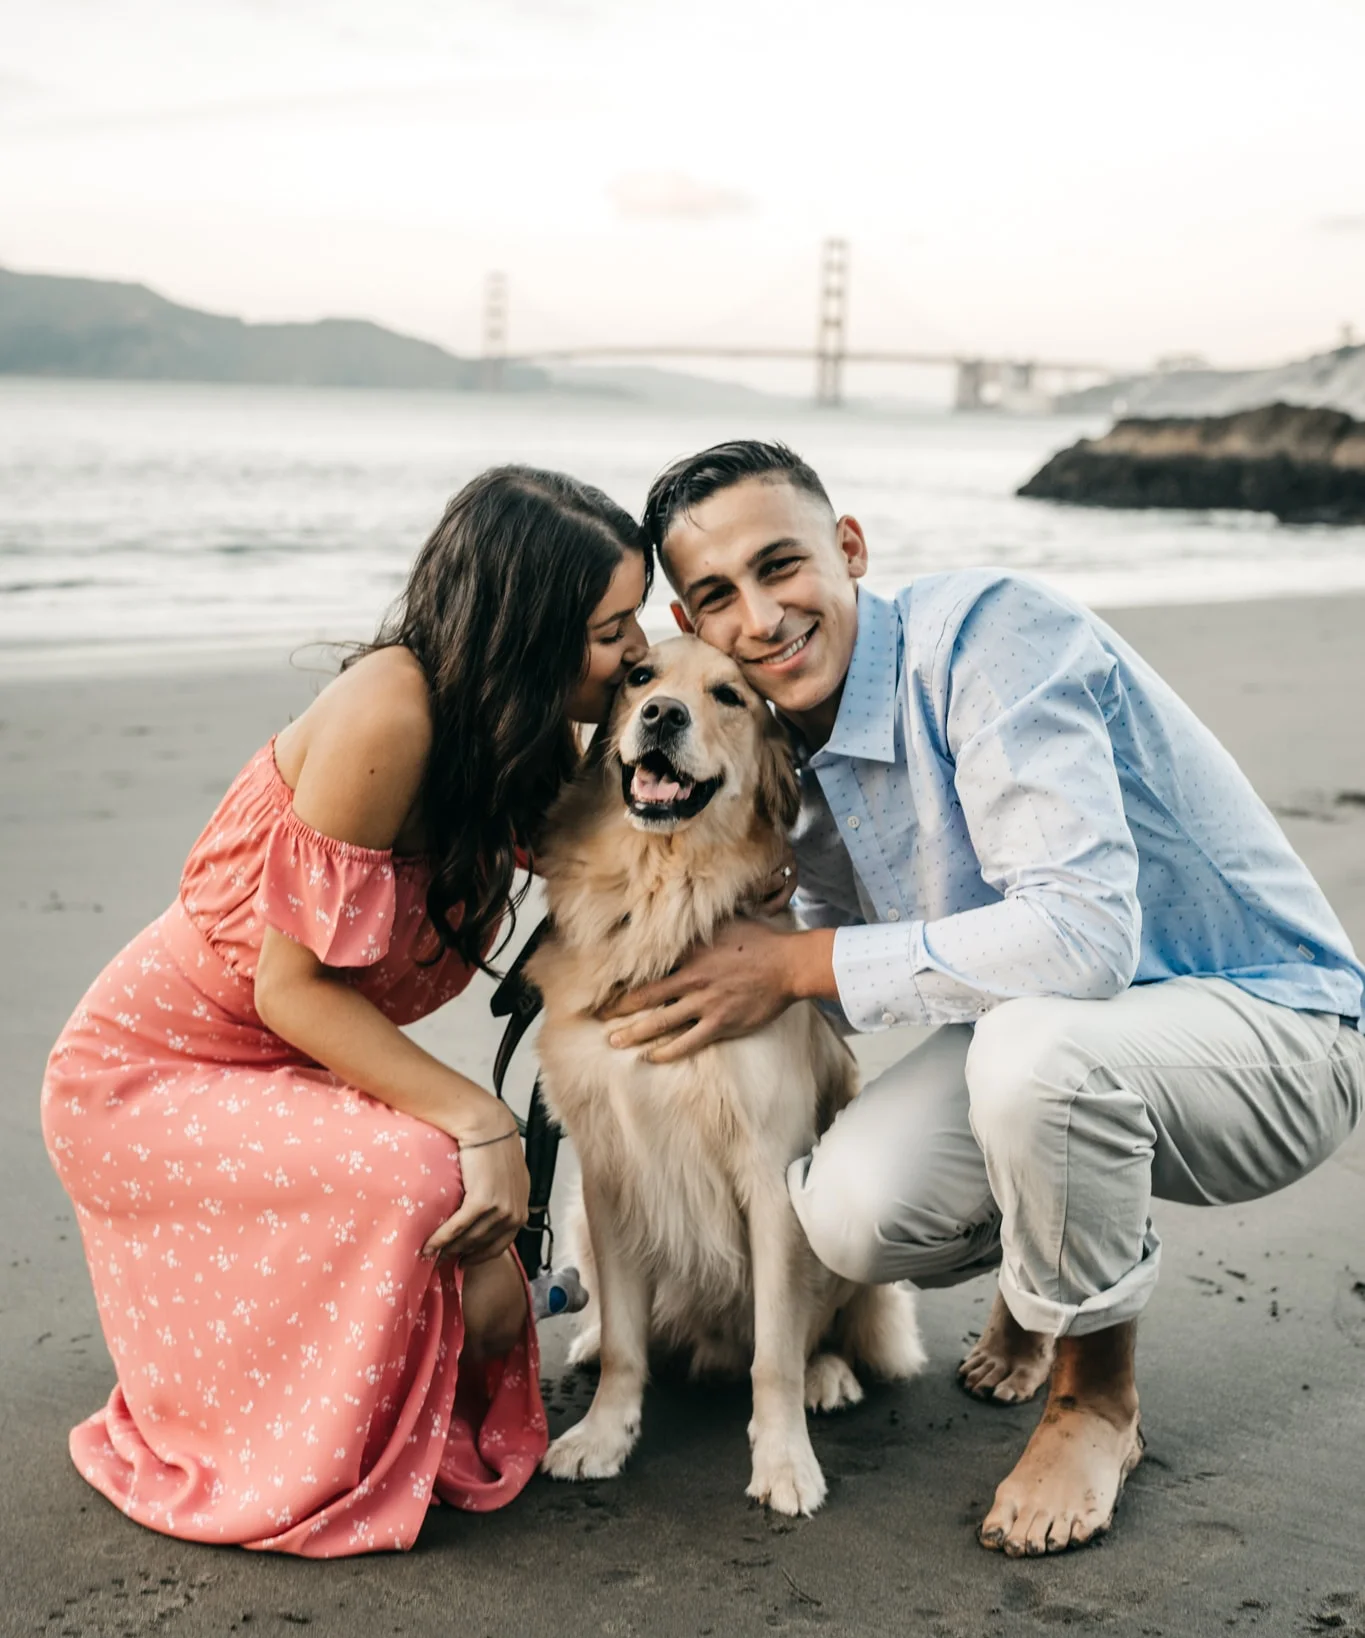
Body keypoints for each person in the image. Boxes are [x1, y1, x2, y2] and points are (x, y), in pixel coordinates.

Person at [606, 439, 1365, 1557]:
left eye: (784, 566)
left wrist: (791, 964)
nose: (763, 616)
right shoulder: (783, 742)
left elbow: (1081, 934)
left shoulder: (994, 637)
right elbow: (841, 937)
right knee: (851, 1210)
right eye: (719, 595)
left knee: (1037, 1060)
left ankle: (1095, 1396)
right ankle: (1046, 1244)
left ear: (850, 547)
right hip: (1050, 1037)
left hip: (1271, 1030)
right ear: (690, 617)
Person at [41, 467, 649, 1556]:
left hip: (287, 1064)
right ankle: (287, 1414)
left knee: (486, 1278)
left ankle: (355, 1357)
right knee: (436, 1181)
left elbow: (625, 856)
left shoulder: (515, 731)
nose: (638, 647)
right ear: (530, 630)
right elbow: (290, 987)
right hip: (150, 1071)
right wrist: (484, 1120)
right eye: (613, 629)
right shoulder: (393, 712)